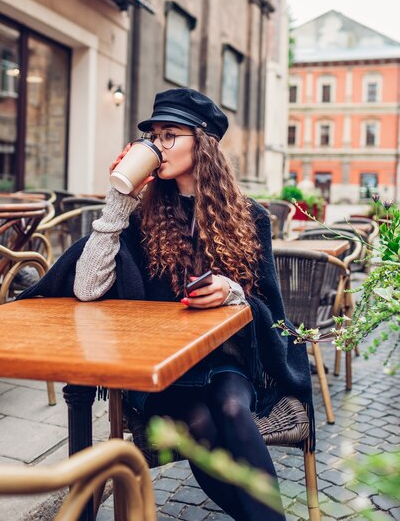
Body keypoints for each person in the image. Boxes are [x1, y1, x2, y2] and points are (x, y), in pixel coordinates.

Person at [19, 88, 313, 521]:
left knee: (233, 408)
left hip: (223, 361)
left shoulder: (250, 217)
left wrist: (233, 292)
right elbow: (85, 287)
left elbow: (267, 304)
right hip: (161, 371)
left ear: (204, 142)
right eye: (153, 136)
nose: (157, 147)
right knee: (201, 425)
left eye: (170, 135)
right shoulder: (143, 215)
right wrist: (119, 202)